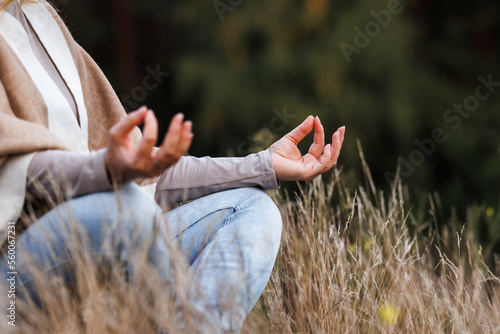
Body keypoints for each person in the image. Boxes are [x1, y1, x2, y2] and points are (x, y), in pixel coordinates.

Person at [0, 0, 345, 332]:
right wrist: (107, 168)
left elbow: (144, 172)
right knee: (130, 210)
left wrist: (263, 164)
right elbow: (24, 168)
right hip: (13, 274)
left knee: (254, 211)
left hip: (108, 243)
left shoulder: (41, 20)